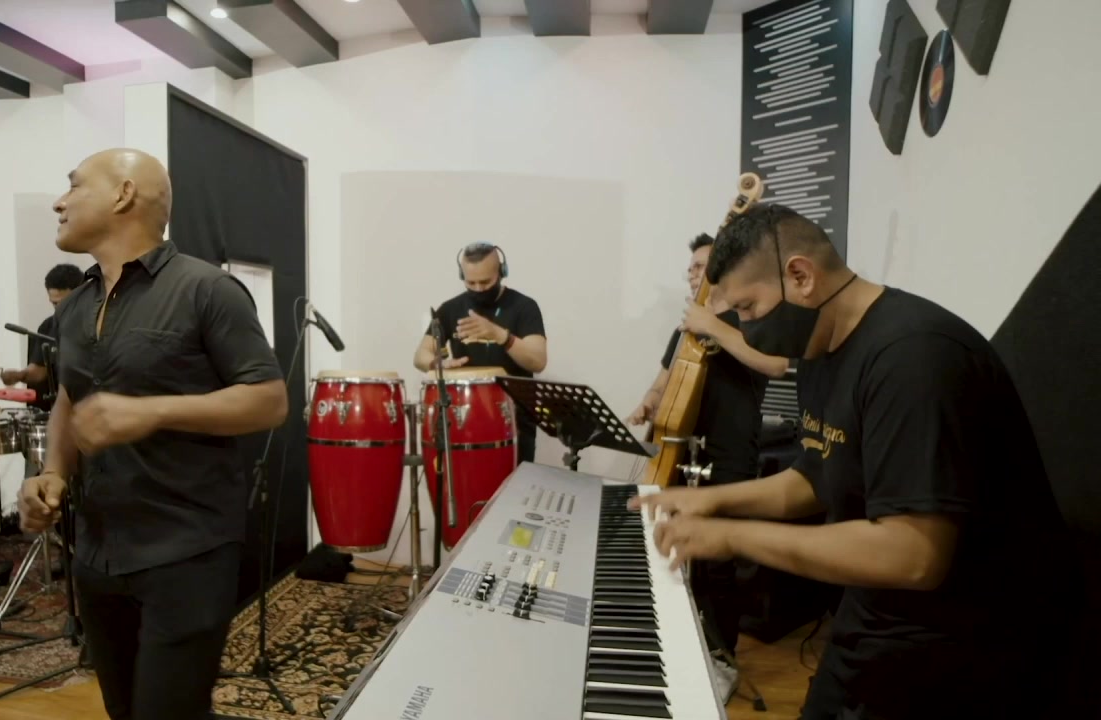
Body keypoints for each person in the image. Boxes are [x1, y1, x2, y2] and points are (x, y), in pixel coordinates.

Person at [633, 203, 1080, 719]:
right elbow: (814, 477)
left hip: (968, 640)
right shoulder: (821, 349)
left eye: (748, 308)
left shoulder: (913, 357)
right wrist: (708, 502)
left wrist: (733, 536)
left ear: (801, 276)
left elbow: (913, 555)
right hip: (880, 613)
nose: (743, 327)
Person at [17, 148, 286, 720]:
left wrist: (152, 412)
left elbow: (268, 399)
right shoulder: (74, 306)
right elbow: (69, 398)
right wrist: (53, 471)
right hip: (97, 549)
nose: (60, 202)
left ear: (123, 194)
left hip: (187, 549)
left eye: (74, 186)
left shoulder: (207, 289)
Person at [626, 232, 788, 702]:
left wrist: (714, 326)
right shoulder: (688, 325)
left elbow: (777, 365)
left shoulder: (747, 317)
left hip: (730, 454)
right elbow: (666, 377)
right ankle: (679, 647)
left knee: (717, 565)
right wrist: (649, 400)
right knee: (674, 550)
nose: (693, 274)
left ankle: (722, 657)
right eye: (691, 267)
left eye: (701, 266)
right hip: (682, 451)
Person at [412, 242, 547, 464]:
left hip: (515, 421)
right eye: (471, 282)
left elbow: (538, 361)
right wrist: (438, 364)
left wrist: (500, 335)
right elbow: (420, 356)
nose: (478, 289)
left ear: (501, 272)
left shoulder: (524, 307)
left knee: (513, 485)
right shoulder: (450, 309)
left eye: (485, 282)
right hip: (465, 420)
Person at [0, 263, 85, 412]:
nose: (59, 309)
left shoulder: (99, 324)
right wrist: (19, 375)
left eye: (64, 303)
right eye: (55, 304)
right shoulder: (48, 326)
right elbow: (39, 371)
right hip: (59, 410)